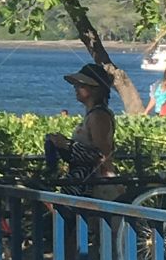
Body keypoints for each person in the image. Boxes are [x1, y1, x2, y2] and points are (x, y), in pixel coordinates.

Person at [46, 63, 121, 200]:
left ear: (95, 89)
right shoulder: (92, 114)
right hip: (84, 181)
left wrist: (67, 145)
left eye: (81, 85)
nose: (75, 89)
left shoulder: (98, 115)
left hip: (93, 185)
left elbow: (102, 153)